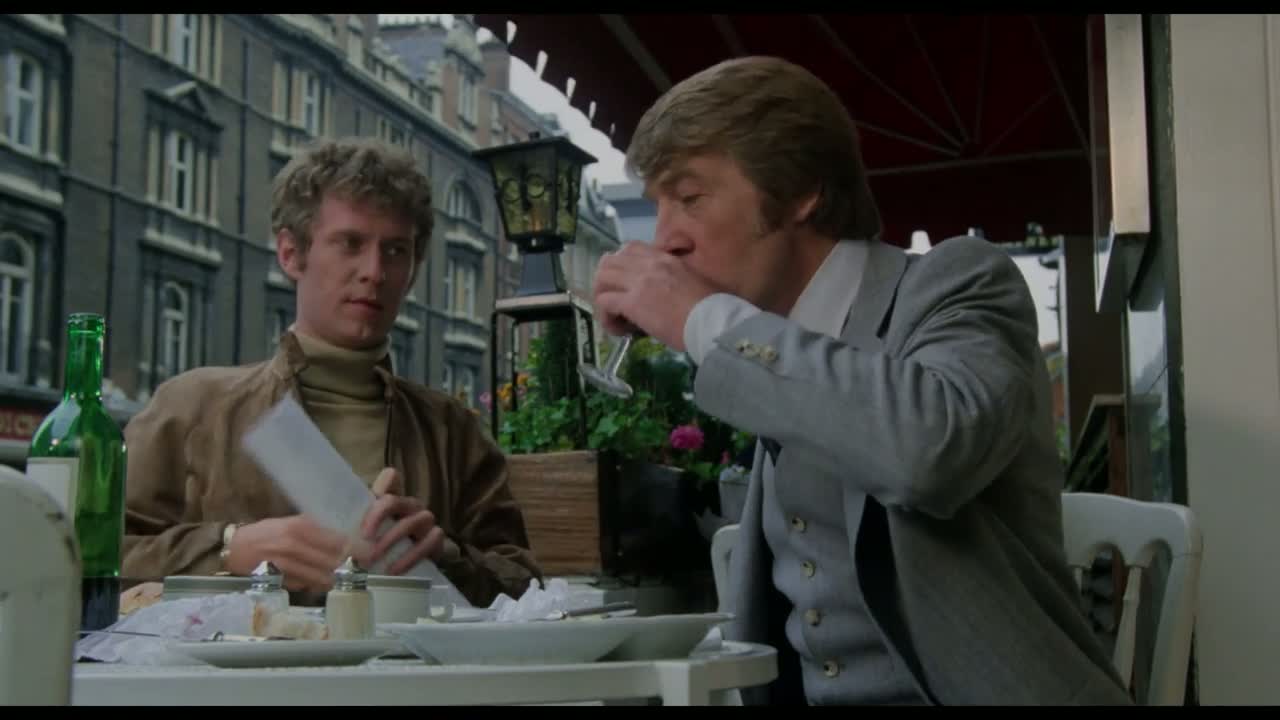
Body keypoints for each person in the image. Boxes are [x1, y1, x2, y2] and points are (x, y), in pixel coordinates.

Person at [592, 56, 1130, 705]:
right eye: (658, 207)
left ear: (801, 190)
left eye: (689, 198)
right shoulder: (771, 347)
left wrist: (703, 319)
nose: (664, 241)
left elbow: (931, 449)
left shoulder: (959, 282)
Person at [123, 137, 541, 607]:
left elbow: (525, 587)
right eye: (350, 244)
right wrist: (229, 548)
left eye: (396, 250)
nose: (374, 271)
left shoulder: (452, 432)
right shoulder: (190, 409)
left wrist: (446, 557)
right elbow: (92, 559)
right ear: (290, 253)